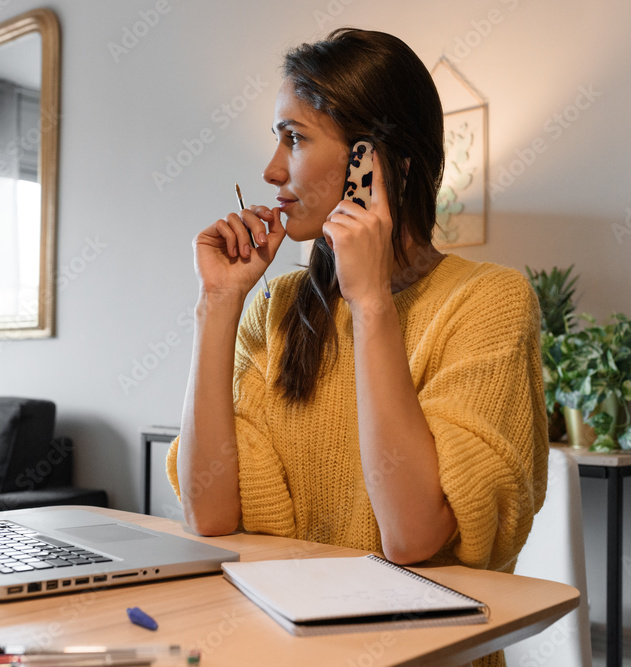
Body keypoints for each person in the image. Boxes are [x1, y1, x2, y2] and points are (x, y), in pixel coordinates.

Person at [167, 29, 548, 663]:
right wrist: (218, 303)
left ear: (375, 164)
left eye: (294, 138)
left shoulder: (490, 301)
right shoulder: (279, 308)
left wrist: (369, 302)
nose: (270, 169)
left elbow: (412, 535)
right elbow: (208, 512)